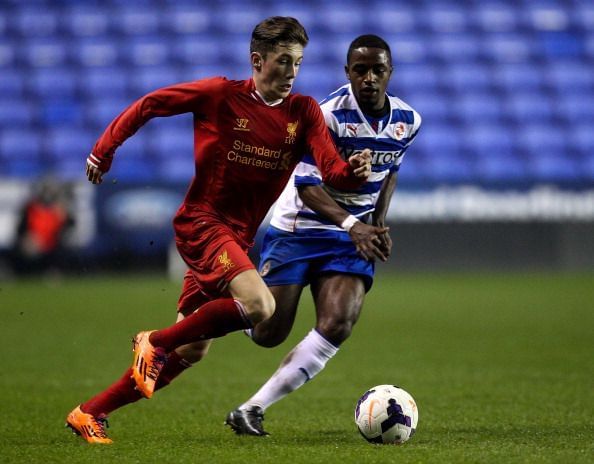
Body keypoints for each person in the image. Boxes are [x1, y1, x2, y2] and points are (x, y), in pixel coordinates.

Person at [65, 16, 376, 444]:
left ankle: (90, 412)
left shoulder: (302, 112)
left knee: (192, 348)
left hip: (237, 238)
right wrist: (104, 150)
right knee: (260, 306)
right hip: (203, 224)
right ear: (257, 60)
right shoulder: (219, 95)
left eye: (298, 63)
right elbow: (151, 103)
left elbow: (333, 172)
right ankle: (153, 341)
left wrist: (355, 175)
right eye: (283, 61)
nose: (291, 73)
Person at [224, 34, 422, 436]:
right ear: (347, 72)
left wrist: (377, 222)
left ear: (390, 73)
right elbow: (307, 187)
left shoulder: (408, 121)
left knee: (338, 322)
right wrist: (355, 225)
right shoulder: (325, 115)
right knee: (268, 332)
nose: (369, 77)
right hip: (301, 227)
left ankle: (252, 409)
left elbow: (390, 171)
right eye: (360, 69)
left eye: (377, 69)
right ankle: (232, 298)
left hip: (353, 236)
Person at [11, 176, 75, 276]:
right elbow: (21, 228)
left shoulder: (58, 208)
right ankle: (19, 272)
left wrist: (64, 217)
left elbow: (71, 224)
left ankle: (54, 271)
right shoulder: (31, 207)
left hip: (53, 243)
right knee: (22, 249)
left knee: (61, 249)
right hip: (33, 242)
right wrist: (27, 237)